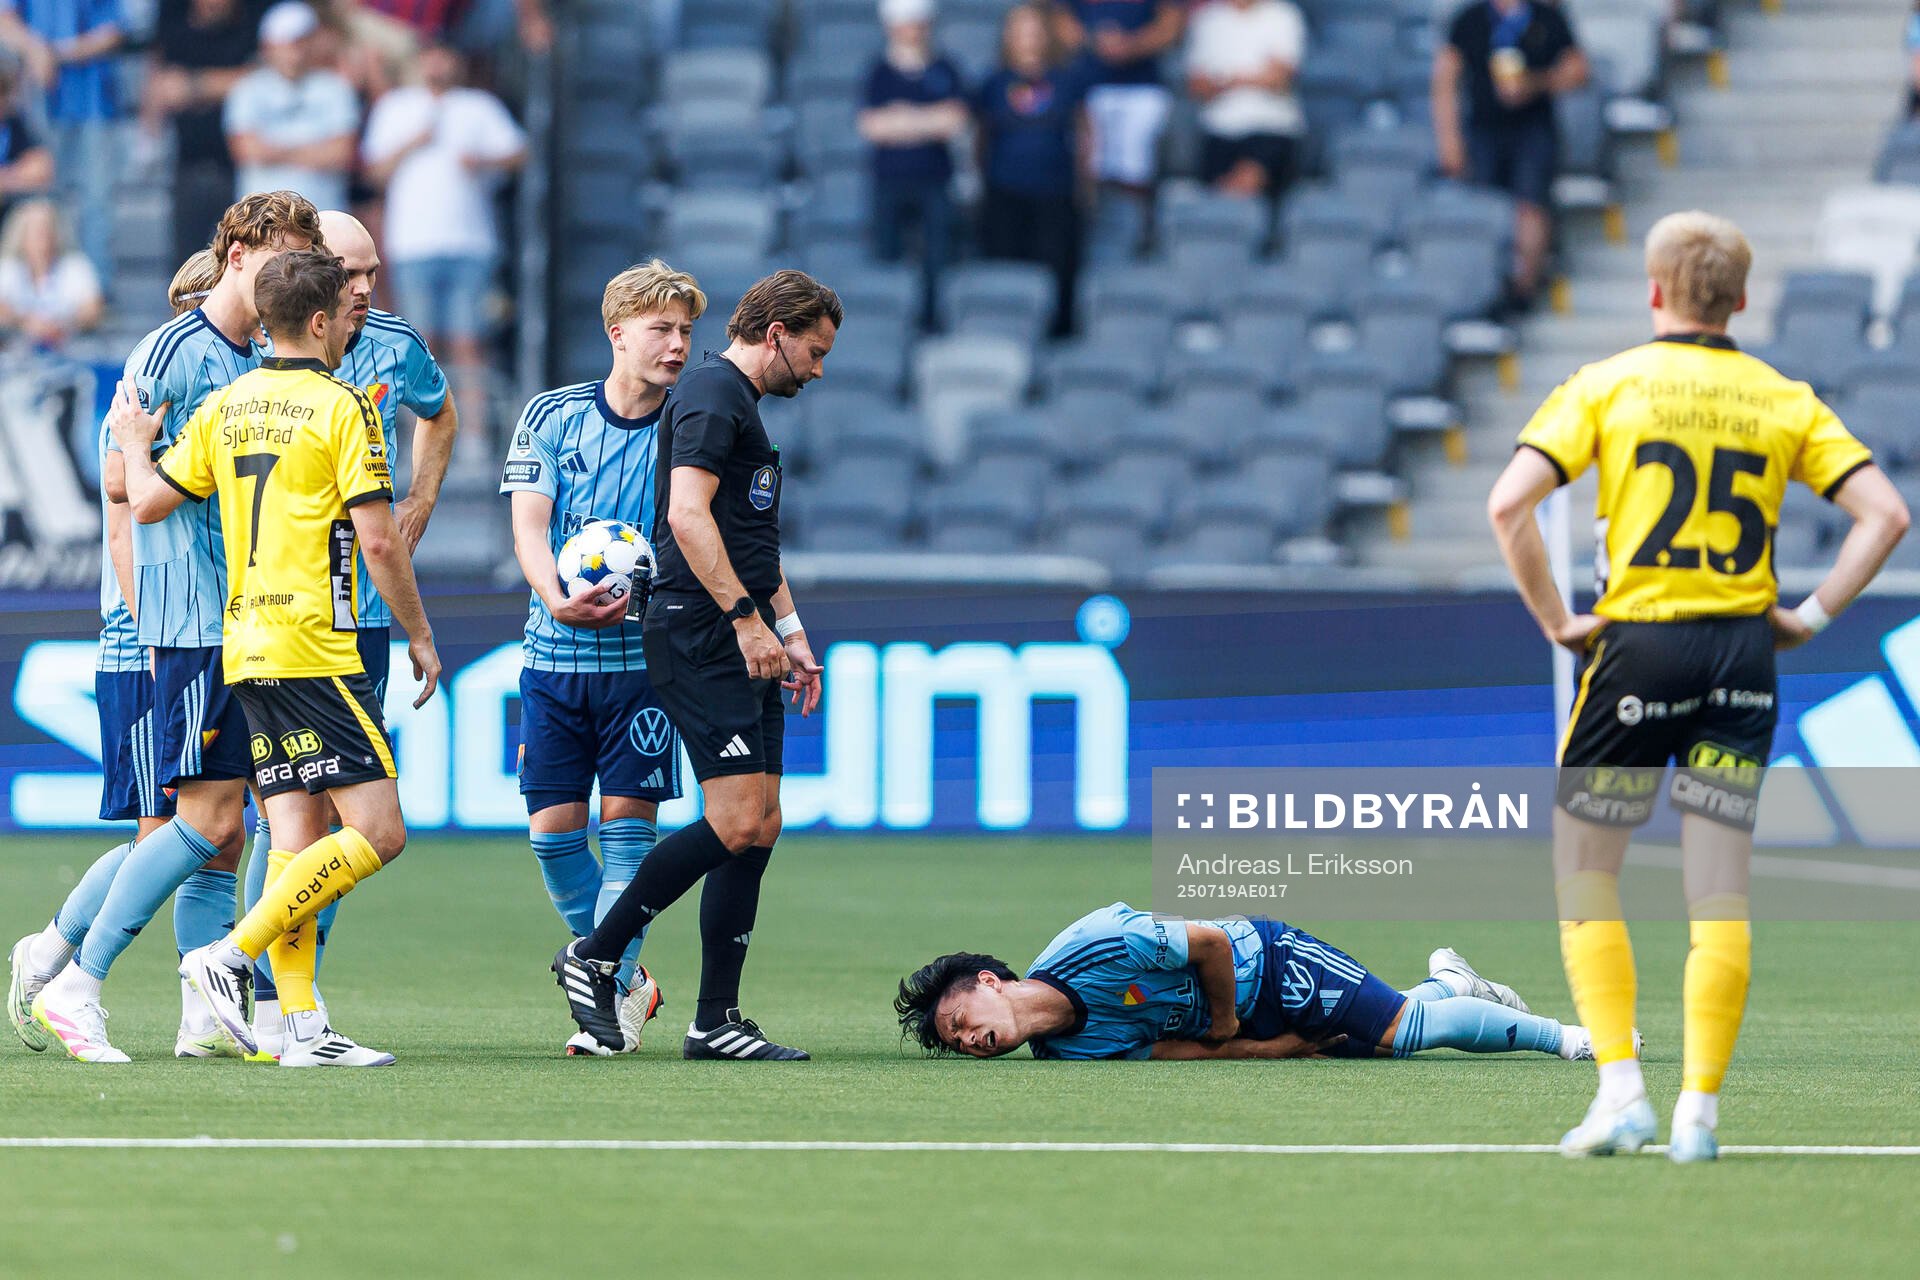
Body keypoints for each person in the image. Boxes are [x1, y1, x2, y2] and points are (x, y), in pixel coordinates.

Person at [1487, 211, 1911, 1160]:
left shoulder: (1608, 384)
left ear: (1653, 291)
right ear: (1741, 300)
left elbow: (1510, 502)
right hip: (1741, 663)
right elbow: (1885, 514)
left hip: (1642, 651)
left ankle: (1621, 1093)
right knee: (1718, 889)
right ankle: (1700, 1116)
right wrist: (1808, 615)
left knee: (1588, 869)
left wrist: (1559, 620)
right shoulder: (1781, 397)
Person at [115, 248, 440, 1067]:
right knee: (380, 831)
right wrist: (421, 634)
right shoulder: (342, 408)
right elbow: (376, 537)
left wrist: (130, 440)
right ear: (324, 321)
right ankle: (229, 957)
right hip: (315, 647)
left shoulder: (227, 403)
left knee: (294, 836)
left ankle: (299, 1027)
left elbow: (146, 501)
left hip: (245, 644)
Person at [22, 190, 322, 1064]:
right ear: (238, 253)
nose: (294, 276)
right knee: (199, 822)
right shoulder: (174, 352)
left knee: (230, 827)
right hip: (193, 614)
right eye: (284, 258)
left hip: (250, 613)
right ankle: (73, 978)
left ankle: (205, 1010)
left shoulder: (256, 353)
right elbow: (122, 486)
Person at [549, 269, 837, 1062]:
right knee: (736, 817)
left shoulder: (734, 402)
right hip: (702, 630)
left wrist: (791, 629)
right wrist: (747, 623)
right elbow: (685, 514)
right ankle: (596, 954)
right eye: (812, 351)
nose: (817, 370)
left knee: (761, 824)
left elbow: (749, 541)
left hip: (740, 629)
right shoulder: (713, 395)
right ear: (776, 333)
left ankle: (715, 1019)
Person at [237, 208, 457, 1057]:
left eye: (373, 272)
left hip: (347, 619)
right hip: (301, 623)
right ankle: (241, 970)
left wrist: (423, 496)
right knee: (316, 822)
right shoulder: (271, 346)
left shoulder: (395, 343)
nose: (364, 288)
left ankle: (290, 1014)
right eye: (347, 272)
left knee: (307, 824)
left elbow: (438, 415)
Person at [3, 249, 209, 1056]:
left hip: (199, 637)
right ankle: (62, 962)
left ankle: (199, 1009)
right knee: (167, 832)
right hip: (145, 645)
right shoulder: (138, 407)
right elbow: (125, 521)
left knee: (212, 831)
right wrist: (155, 629)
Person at [502, 260, 705, 1056]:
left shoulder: (692, 421)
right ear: (617, 332)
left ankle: (604, 998)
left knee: (627, 832)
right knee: (553, 835)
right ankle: (625, 981)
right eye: (662, 329)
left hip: (645, 664)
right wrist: (555, 595)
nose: (678, 345)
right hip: (554, 654)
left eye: (686, 330)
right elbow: (528, 526)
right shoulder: (551, 415)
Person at [896, 902, 1612, 1063]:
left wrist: (1231, 1023)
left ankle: (1574, 1039)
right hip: (1239, 1024)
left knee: (1400, 1035)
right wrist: (1272, 1050)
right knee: (1365, 1044)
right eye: (956, 1044)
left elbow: (1206, 944)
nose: (968, 1040)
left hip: (1266, 960)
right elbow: (1180, 1055)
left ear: (989, 981)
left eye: (959, 1019)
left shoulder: (1094, 944)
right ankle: (1450, 981)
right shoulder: (1065, 1053)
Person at [360, 38, 525, 466]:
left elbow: (516, 154)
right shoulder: (396, 107)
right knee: (418, 342)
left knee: (470, 341)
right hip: (412, 243)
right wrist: (413, 142)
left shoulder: (477, 106)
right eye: (430, 55)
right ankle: (421, 437)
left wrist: (483, 163)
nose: (437, 62)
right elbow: (373, 171)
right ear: (419, 61)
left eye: (444, 54)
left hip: (471, 241)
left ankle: (470, 436)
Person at [1432, 0, 1587, 310]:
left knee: (1531, 206)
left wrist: (1536, 83)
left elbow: (1578, 70)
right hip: (1483, 130)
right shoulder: (1470, 18)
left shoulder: (1546, 17)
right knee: (1482, 211)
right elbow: (1445, 78)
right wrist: (1449, 139)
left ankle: (1523, 290)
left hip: (1533, 129)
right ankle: (1485, 290)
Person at [975, 4, 1089, 336]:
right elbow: (981, 138)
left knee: (1055, 272)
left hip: (1055, 194)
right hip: (1005, 193)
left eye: (1034, 29)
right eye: (1020, 30)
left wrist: (1086, 187)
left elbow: (1084, 133)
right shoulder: (993, 83)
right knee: (1006, 272)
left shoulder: (1067, 81)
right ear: (1008, 36)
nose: (1028, 38)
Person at [859, 0, 965, 329]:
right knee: (886, 254)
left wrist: (901, 119)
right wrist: (927, 121)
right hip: (889, 181)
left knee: (937, 257)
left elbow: (954, 120)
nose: (913, 30)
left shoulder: (945, 67)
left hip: (934, 180)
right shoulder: (878, 70)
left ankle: (931, 323)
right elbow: (871, 126)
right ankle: (887, 323)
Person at [0, 0, 125, 272]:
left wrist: (56, 54)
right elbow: (4, 20)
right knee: (43, 200)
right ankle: (41, 288)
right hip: (38, 101)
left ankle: (93, 288)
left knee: (96, 201)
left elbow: (113, 31)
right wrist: (35, 49)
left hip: (93, 103)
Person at [146, 0, 266, 265]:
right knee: (187, 264)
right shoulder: (173, 22)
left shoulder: (250, 22)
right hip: (188, 164)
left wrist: (195, 86)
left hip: (237, 167)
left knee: (240, 260)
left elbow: (262, 75)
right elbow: (162, 84)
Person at [224, 1, 359, 211]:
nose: (294, 52)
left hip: (323, 215)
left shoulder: (335, 88)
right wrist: (314, 151)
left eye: (301, 42)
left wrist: (276, 151)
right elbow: (246, 149)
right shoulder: (248, 88)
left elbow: (341, 153)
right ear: (268, 46)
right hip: (262, 220)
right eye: (287, 43)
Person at [1051, 0, 1183, 213]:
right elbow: (1060, 22)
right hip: (1088, 87)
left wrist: (1130, 45)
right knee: (1090, 170)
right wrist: (1098, 41)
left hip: (1141, 87)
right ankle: (1091, 228)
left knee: (1135, 175)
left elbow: (1171, 25)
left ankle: (1135, 231)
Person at [1185, 0, 1305, 199]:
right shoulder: (1207, 19)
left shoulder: (1283, 15)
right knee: (1215, 198)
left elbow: (1280, 79)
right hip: (1218, 129)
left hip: (1271, 127)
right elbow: (1196, 85)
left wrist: (1224, 80)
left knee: (1246, 184)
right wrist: (1255, 77)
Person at [0, 196, 102, 352]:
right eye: (35, 231)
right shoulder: (8, 267)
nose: (43, 237)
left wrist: (62, 324)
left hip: (69, 348)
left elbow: (92, 310)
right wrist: (26, 322)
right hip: (17, 350)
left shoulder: (75, 265)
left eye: (47, 229)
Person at [0, 63, 52, 226]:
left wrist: (4, 180)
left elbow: (41, 169)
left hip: (11, 215)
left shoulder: (16, 125)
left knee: (39, 212)